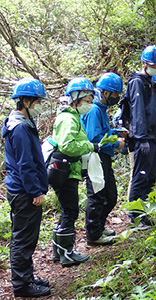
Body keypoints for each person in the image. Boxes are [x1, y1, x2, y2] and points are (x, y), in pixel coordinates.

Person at [2, 78, 51, 297]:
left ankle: (27, 277)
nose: (40, 104)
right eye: (38, 100)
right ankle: (22, 285)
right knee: (23, 238)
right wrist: (35, 191)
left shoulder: (21, 122)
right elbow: (25, 163)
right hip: (24, 191)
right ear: (25, 101)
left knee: (26, 237)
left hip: (21, 189)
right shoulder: (20, 127)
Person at [51, 77, 97, 267]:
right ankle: (66, 253)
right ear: (75, 98)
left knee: (66, 210)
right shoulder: (68, 118)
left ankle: (59, 251)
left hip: (68, 169)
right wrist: (90, 146)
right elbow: (68, 146)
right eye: (87, 100)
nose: (90, 104)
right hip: (65, 170)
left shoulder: (72, 117)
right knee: (70, 210)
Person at [81, 72, 125, 245]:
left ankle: (98, 226)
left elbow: (102, 133)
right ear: (106, 93)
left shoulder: (101, 110)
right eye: (115, 94)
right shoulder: (93, 110)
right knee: (97, 194)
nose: (116, 98)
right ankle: (93, 234)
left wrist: (115, 133)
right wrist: (115, 142)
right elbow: (93, 138)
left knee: (110, 196)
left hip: (103, 157)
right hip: (95, 157)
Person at [125, 45, 156, 229]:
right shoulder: (137, 82)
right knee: (140, 176)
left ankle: (146, 214)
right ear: (144, 63)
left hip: (153, 137)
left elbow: (155, 112)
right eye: (152, 64)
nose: (155, 67)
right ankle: (135, 215)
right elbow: (137, 111)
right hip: (143, 138)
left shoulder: (151, 81)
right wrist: (141, 139)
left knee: (150, 178)